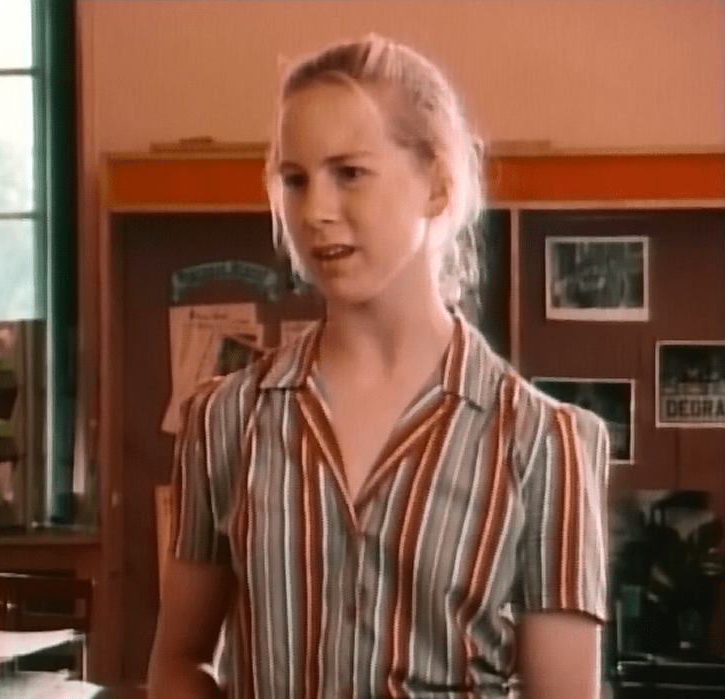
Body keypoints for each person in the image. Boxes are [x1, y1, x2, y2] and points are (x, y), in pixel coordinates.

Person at [148, 34, 610, 699]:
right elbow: (178, 662)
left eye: (349, 173)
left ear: (437, 183)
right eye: (294, 180)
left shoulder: (543, 441)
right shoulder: (223, 420)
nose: (315, 212)